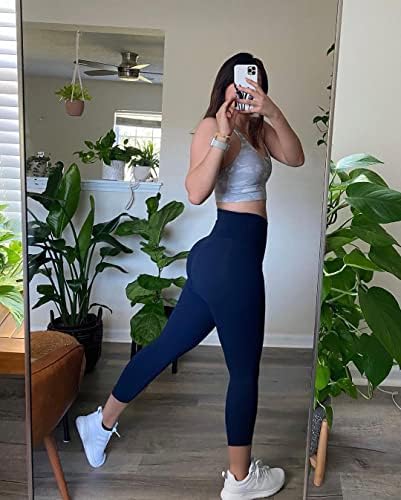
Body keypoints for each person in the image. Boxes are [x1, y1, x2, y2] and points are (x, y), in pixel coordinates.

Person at [75, 52, 304, 500]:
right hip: (231, 263)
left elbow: (295, 157)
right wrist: (221, 135)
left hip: (223, 261)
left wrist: (271, 111)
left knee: (165, 347)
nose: (245, 90)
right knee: (244, 373)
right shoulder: (210, 128)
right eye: (238, 83)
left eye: (254, 83)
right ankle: (240, 480)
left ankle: (98, 423)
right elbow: (196, 192)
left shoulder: (259, 130)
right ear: (224, 86)